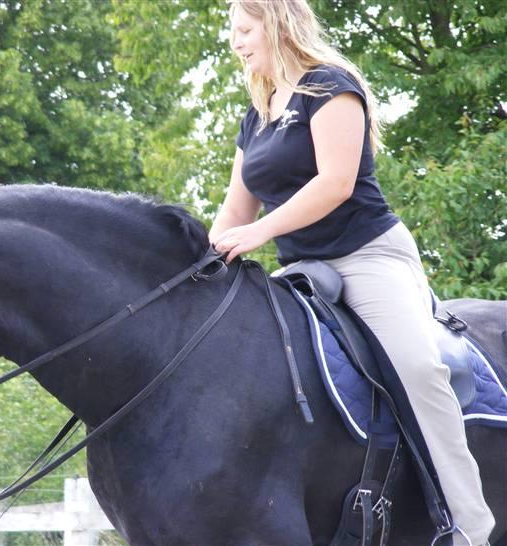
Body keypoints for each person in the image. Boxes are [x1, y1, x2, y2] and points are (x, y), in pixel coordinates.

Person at [210, 1, 495, 545]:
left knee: (417, 369)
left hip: (367, 256)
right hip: (301, 270)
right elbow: (234, 212)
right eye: (233, 33)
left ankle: (470, 527)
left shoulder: (331, 87)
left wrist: (258, 235)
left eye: (244, 30)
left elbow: (335, 183)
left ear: (276, 24)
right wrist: (202, 262)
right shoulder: (257, 115)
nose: (236, 43)